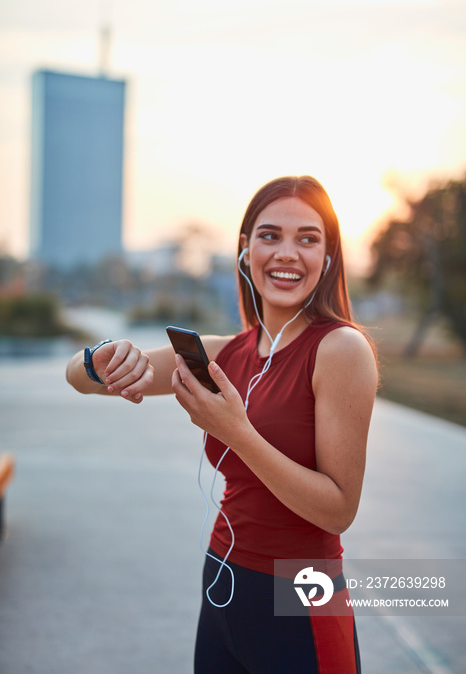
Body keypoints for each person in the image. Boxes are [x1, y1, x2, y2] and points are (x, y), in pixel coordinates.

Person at [66, 175, 378, 673]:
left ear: (329, 258)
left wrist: (237, 431)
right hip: (223, 585)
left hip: (302, 594)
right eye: (270, 235)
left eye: (308, 238)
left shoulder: (340, 350)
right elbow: (82, 378)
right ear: (245, 250)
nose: (287, 253)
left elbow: (338, 511)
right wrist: (105, 356)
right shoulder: (221, 353)